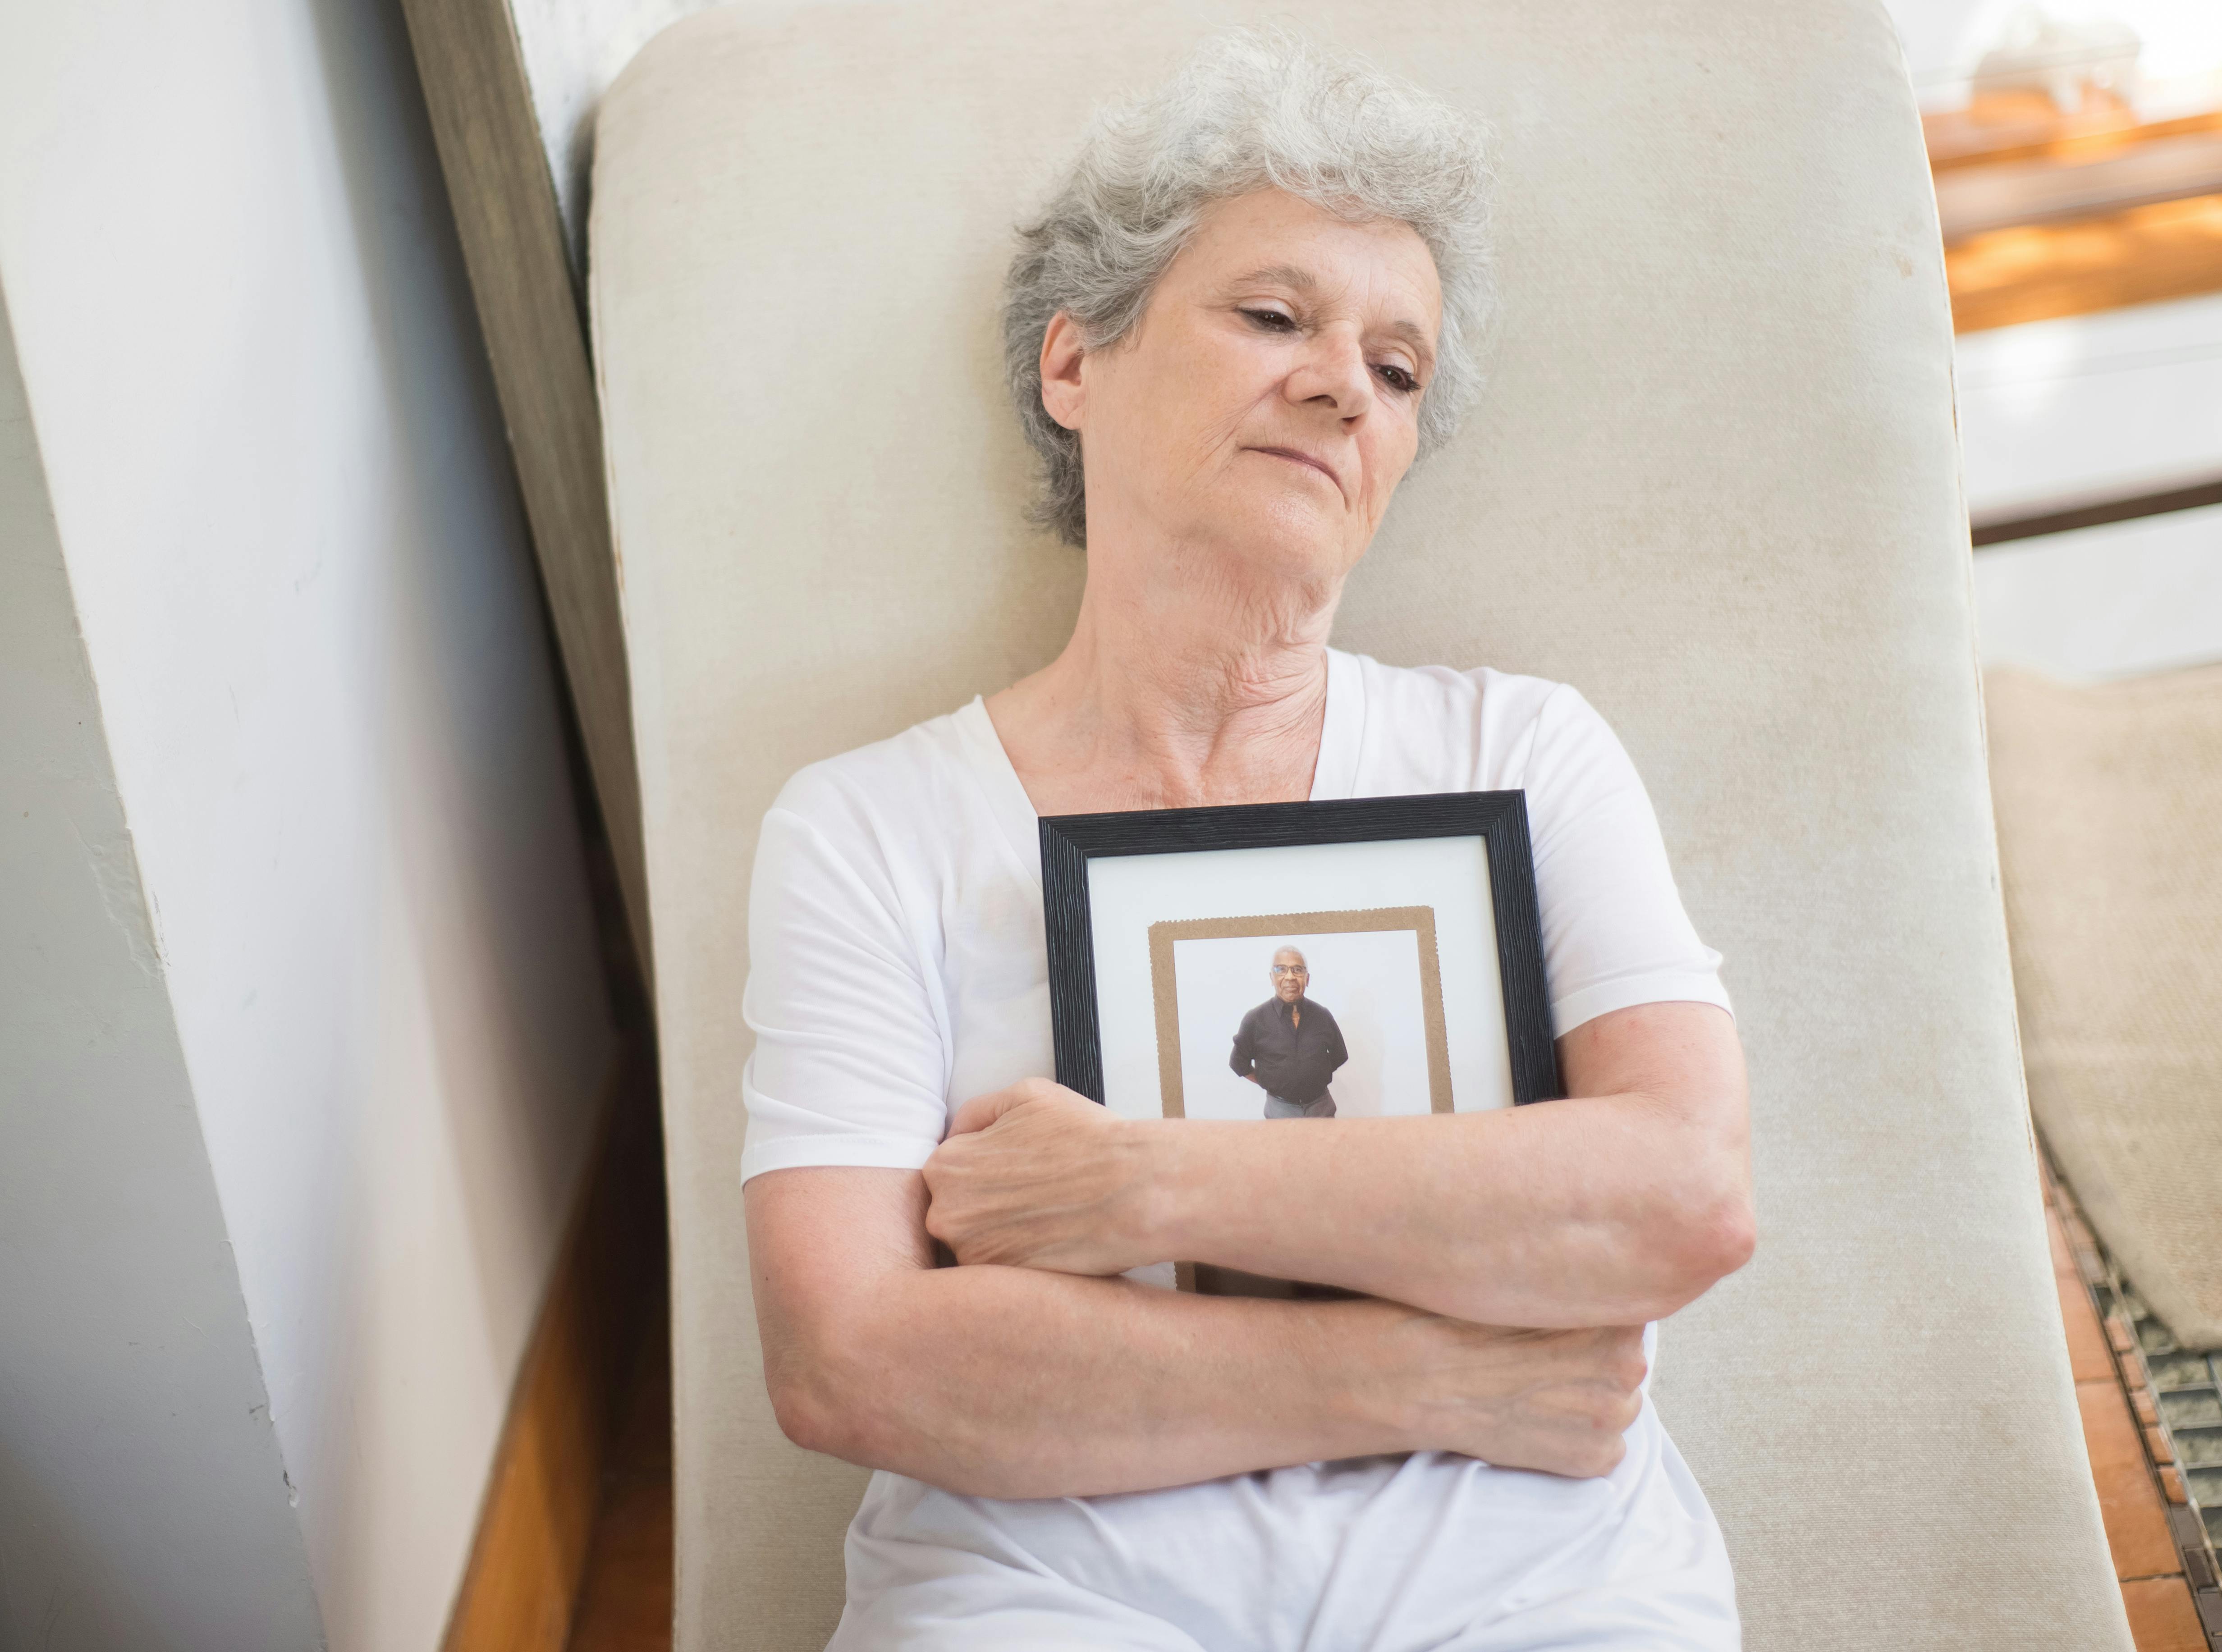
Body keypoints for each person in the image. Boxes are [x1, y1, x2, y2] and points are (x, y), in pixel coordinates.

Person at [740, 29, 1755, 1651]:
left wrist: (1132, 1186)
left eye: (1399, 367)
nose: (1344, 380)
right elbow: (847, 1360)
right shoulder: (868, 829)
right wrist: (1430, 1368)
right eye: (1274, 316)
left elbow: (1682, 1193)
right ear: (1076, 365)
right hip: (1043, 1584)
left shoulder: (1522, 749)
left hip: (1533, 1571)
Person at [1229, 946, 1348, 1117]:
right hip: (1279, 1109)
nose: (1290, 977)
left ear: (1307, 979)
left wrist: (1314, 1075)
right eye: (1281, 969)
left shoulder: (1323, 1016)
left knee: (1324, 1146)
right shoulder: (1255, 1019)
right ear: (1272, 977)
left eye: (1298, 970)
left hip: (1322, 1107)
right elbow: (1238, 1063)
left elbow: (1340, 1056)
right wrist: (1269, 1082)